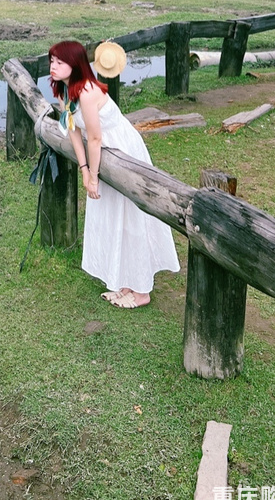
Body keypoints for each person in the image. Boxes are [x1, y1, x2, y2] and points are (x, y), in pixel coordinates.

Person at [47, 39, 180, 309]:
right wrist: (84, 169)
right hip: (101, 152)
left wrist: (92, 176)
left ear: (75, 65)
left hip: (120, 147)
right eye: (52, 61)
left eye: (60, 62)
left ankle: (142, 291)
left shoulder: (86, 92)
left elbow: (94, 138)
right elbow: (74, 131)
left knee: (130, 214)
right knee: (112, 214)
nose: (53, 66)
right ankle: (125, 282)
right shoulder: (64, 91)